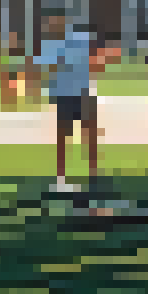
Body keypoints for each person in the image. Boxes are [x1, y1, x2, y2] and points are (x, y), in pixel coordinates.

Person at [36, 13, 101, 192]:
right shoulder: (51, 45)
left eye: (54, 21)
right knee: (63, 137)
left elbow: (93, 58)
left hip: (82, 94)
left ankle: (93, 174)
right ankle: (61, 178)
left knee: (90, 133)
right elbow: (43, 66)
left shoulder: (79, 39)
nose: (52, 25)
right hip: (64, 96)